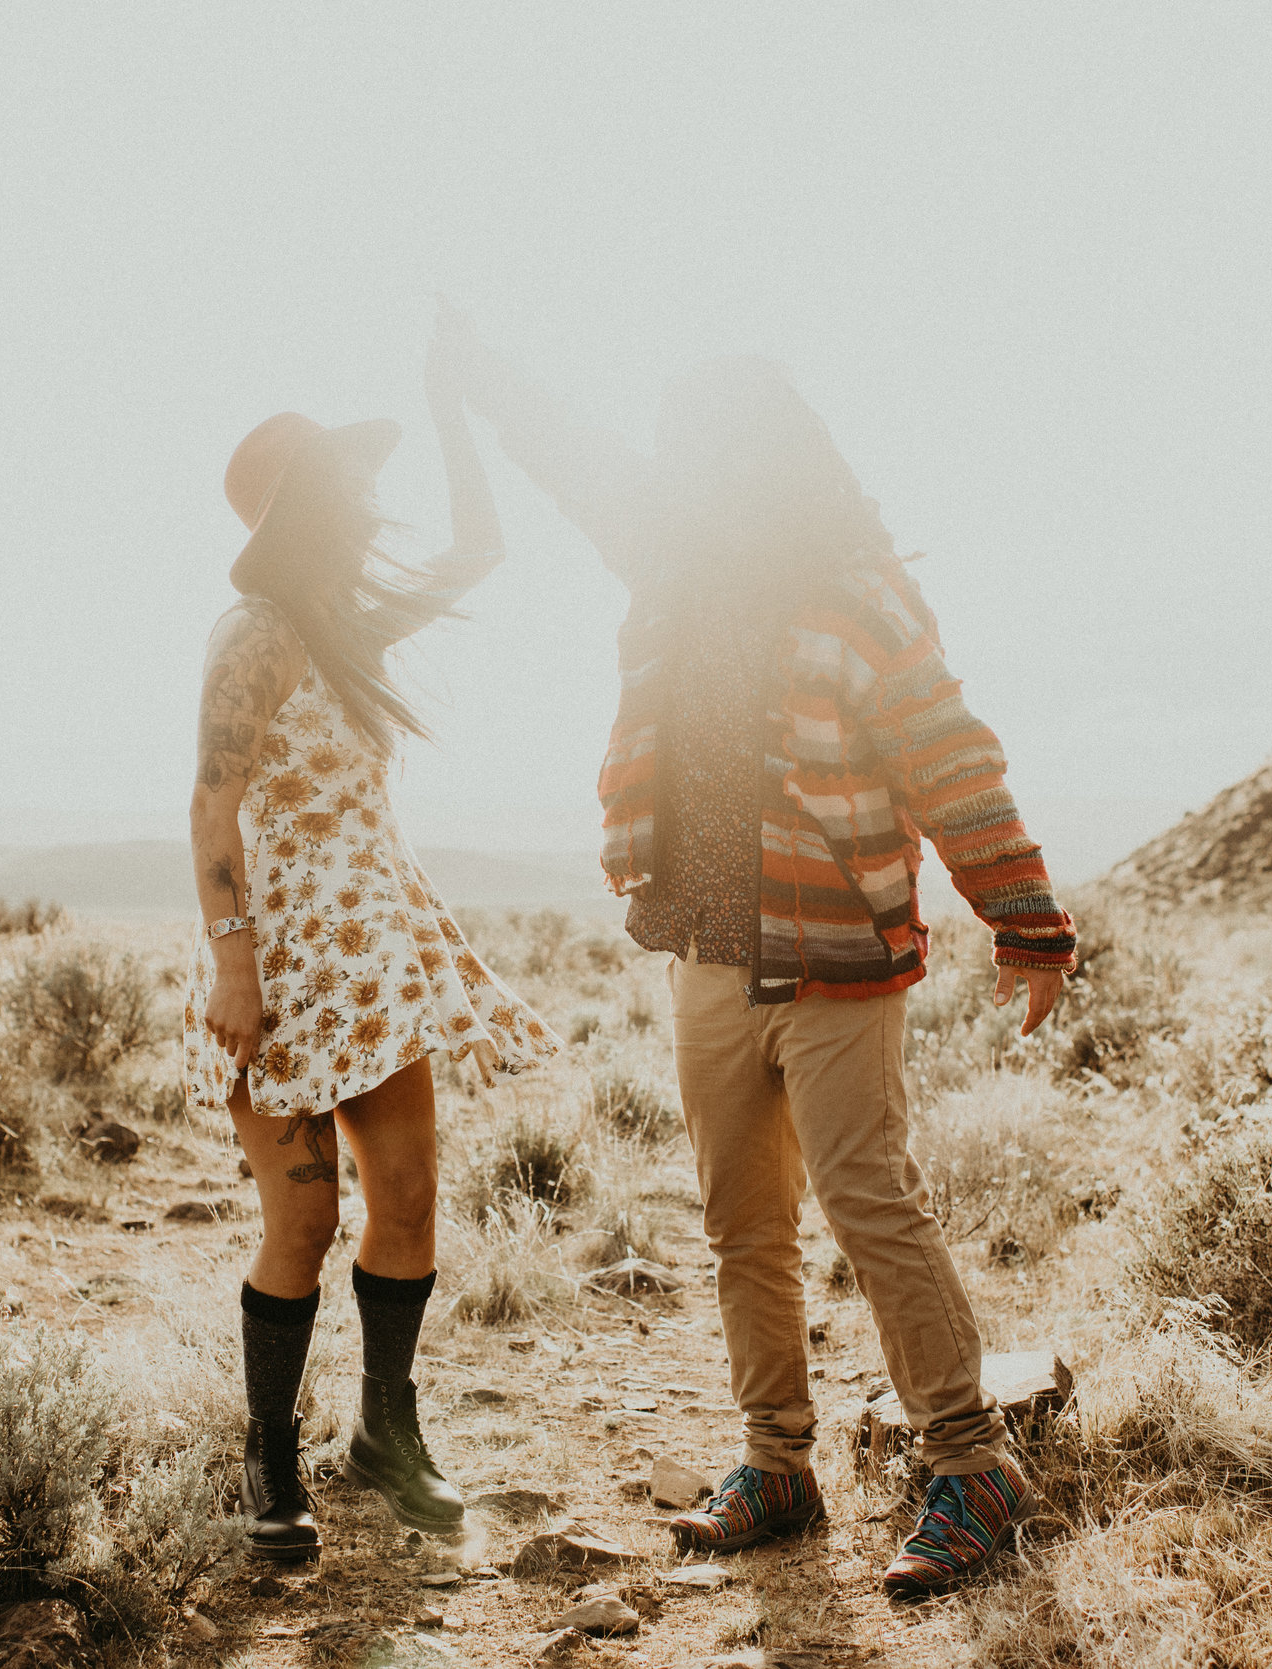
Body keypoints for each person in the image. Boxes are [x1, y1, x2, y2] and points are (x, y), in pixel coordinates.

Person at [438, 317, 1076, 1600]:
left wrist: (1025, 918)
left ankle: (971, 1467)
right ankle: (775, 1467)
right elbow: (576, 458)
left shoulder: (860, 594)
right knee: (742, 1221)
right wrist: (486, 369)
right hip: (708, 948)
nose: (680, 464)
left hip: (837, 951)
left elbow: (952, 760)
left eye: (704, 444)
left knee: (866, 1200)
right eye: (674, 445)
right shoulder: (666, 556)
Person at [183, 319, 563, 1565]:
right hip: (282, 968)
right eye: (346, 483)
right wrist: (234, 960)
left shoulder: (346, 622)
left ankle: (385, 1432)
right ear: (302, 505)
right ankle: (270, 1459)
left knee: (406, 1201)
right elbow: (210, 802)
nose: (365, 499)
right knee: (301, 1223)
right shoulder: (253, 631)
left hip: (374, 959)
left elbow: (483, 547)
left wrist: (450, 411)